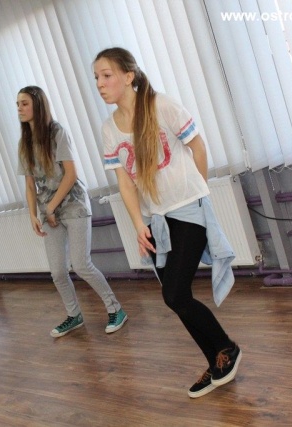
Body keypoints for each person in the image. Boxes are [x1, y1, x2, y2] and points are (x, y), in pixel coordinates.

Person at [93, 47, 241, 398]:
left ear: (128, 76)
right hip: (156, 219)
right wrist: (138, 224)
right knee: (175, 298)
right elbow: (125, 182)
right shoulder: (109, 129)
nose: (99, 83)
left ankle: (226, 349)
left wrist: (197, 192)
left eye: (107, 75)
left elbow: (198, 148)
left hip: (188, 209)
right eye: (96, 77)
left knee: (174, 293)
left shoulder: (161, 105)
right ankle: (216, 360)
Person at [16, 85, 128, 338]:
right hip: (48, 211)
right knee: (57, 271)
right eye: (18, 104)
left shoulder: (57, 132)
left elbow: (71, 174)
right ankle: (73, 315)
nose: (19, 109)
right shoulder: (24, 143)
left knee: (81, 264)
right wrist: (33, 214)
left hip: (73, 205)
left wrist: (51, 207)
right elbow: (30, 185)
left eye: (24, 103)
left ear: (37, 105)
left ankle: (116, 309)